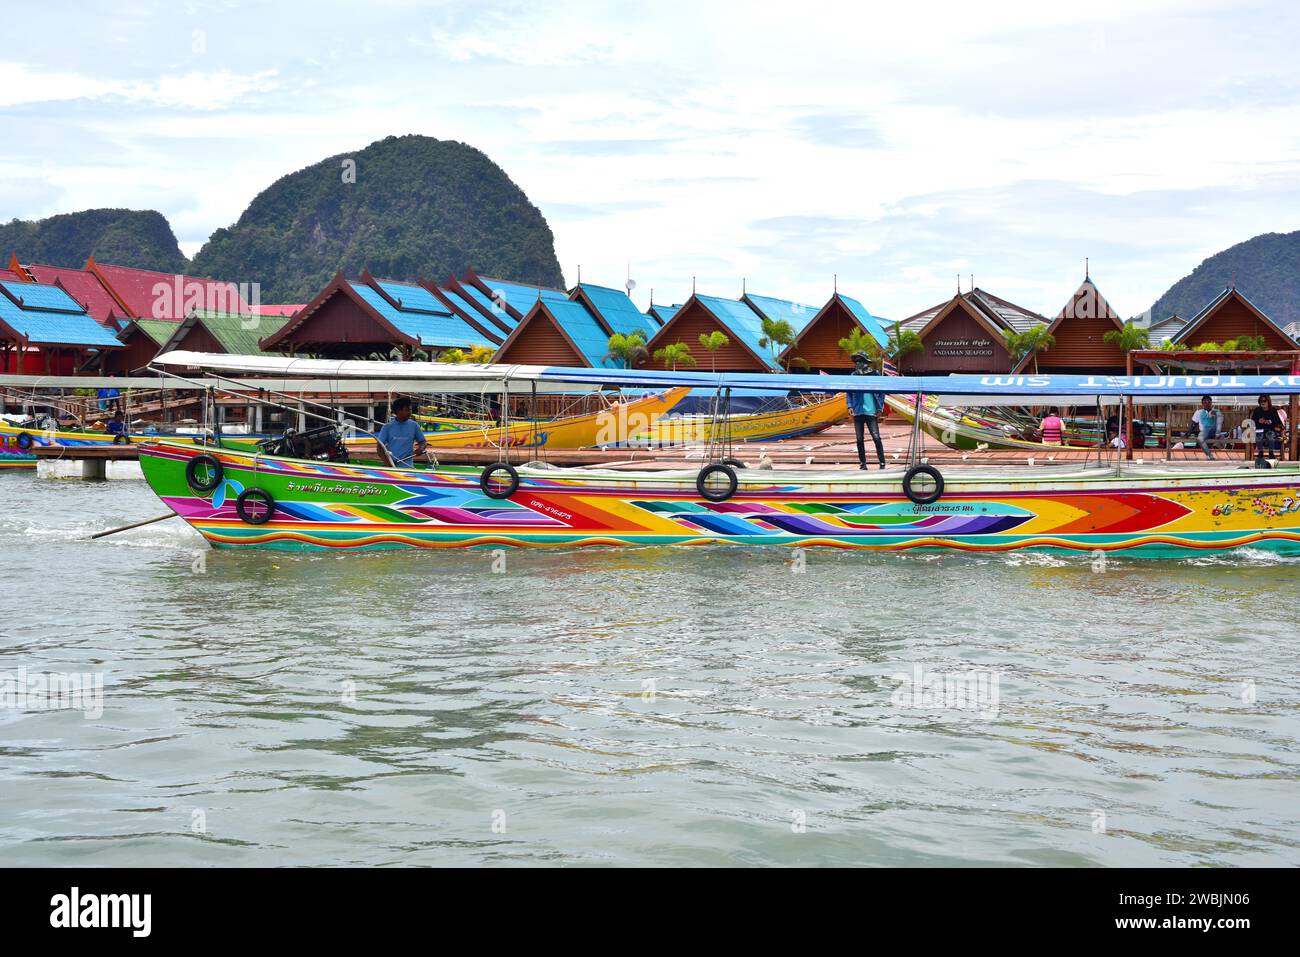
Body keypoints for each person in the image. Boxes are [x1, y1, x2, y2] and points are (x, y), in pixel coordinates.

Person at [847, 351, 886, 469]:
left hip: (872, 411)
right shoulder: (853, 376)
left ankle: (882, 462)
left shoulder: (875, 374)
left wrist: (880, 407)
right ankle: (863, 463)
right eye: (856, 361)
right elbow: (848, 392)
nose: (857, 363)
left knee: (876, 437)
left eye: (860, 361)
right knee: (859, 439)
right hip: (858, 411)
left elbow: (881, 392)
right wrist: (849, 406)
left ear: (865, 362)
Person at [376, 397, 428, 467]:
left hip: (407, 467)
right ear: (398, 411)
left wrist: (421, 448)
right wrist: (388, 463)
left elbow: (423, 442)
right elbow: (380, 448)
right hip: (391, 467)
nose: (410, 412)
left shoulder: (414, 425)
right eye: (407, 410)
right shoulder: (387, 427)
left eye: (410, 410)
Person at [1250, 394, 1284, 460]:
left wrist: (1271, 421)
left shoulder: (1273, 410)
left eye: (1264, 401)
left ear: (1268, 401)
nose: (1262, 402)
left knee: (1271, 435)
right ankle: (1260, 452)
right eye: (1260, 401)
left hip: (1270, 429)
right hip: (1260, 430)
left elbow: (1278, 421)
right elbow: (1252, 421)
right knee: (1258, 436)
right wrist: (1258, 421)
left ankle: (1271, 452)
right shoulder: (1257, 410)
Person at [1191, 395, 1221, 460]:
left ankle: (1217, 436)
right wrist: (1188, 433)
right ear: (1202, 404)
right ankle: (1210, 455)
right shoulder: (1199, 412)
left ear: (1211, 403)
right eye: (1205, 402)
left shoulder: (1216, 411)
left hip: (1214, 431)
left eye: (1209, 402)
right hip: (1204, 432)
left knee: (1219, 414)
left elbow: (1219, 423)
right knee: (1199, 438)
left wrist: (1214, 416)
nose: (1207, 404)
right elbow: (1193, 424)